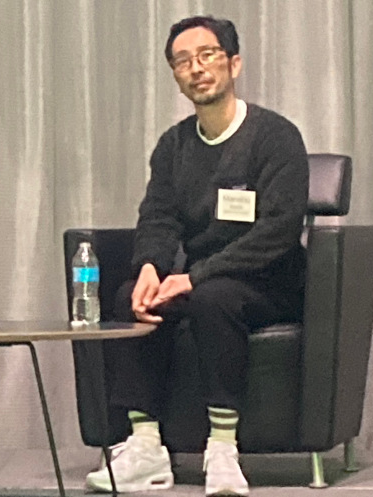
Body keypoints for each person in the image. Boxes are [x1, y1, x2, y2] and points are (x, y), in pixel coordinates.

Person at [84, 16, 308, 497]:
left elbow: (280, 229)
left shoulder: (275, 137)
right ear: (175, 76)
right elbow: (158, 217)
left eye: (207, 55)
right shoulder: (174, 145)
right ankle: (145, 447)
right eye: (183, 61)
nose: (196, 68)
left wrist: (196, 276)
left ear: (234, 63)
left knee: (214, 297)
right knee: (132, 298)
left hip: (268, 279)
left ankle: (223, 449)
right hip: (201, 280)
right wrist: (150, 267)